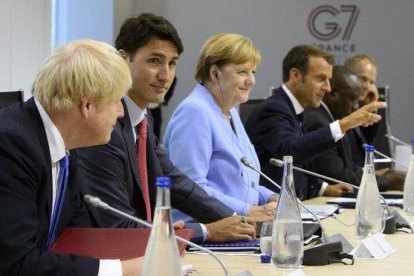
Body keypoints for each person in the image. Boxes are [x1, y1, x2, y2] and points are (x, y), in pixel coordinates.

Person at [75, 13, 258, 245]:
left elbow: (176, 182)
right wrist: (205, 231)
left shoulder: (143, 117)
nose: (165, 76)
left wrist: (236, 221)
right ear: (122, 60)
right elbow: (119, 226)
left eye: (172, 64)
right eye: (154, 61)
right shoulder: (104, 126)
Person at [0, 39, 142, 275]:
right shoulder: (12, 145)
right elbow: (16, 264)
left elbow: (75, 233)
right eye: (117, 101)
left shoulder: (64, 143)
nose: (120, 112)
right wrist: (124, 270)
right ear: (87, 105)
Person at [245, 44, 386, 200]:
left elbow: (298, 168)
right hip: (270, 209)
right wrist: (344, 124)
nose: (327, 88)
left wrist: (323, 188)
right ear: (296, 75)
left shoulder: (294, 109)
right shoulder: (273, 109)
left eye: (329, 80)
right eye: (320, 78)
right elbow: (289, 153)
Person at [163, 33, 278, 217]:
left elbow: (241, 184)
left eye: (253, 72)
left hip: (236, 226)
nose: (251, 80)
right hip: (200, 231)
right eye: (242, 72)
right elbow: (192, 188)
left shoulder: (230, 110)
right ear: (214, 72)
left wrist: (270, 197)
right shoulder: (194, 112)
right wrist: (249, 211)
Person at [344, 54, 405, 190]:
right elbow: (346, 170)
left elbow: (366, 157)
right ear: (345, 77)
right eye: (362, 79)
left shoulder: (359, 114)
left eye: (371, 82)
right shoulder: (340, 115)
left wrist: (372, 108)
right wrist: (381, 178)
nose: (367, 86)